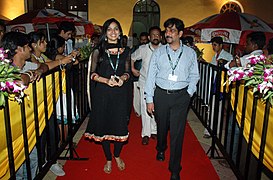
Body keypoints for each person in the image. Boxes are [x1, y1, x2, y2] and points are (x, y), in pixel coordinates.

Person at [145, 18, 199, 180]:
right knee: (162, 126)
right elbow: (150, 76)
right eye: (166, 30)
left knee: (177, 133)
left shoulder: (190, 53)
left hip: (181, 97)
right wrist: (149, 98)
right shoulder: (159, 52)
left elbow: (194, 75)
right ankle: (161, 147)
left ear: (180, 34)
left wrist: (189, 93)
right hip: (161, 95)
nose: (167, 34)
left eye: (172, 30)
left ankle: (175, 168)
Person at [84, 18, 131, 174]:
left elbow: (127, 72)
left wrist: (122, 79)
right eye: (109, 29)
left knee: (120, 125)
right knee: (104, 127)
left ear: (119, 32)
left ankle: (117, 155)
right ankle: (109, 159)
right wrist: (105, 80)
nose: (113, 32)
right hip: (103, 94)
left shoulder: (127, 51)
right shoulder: (98, 51)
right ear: (105, 32)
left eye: (116, 29)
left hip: (120, 94)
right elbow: (92, 74)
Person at [2, 31, 49, 179]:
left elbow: (45, 66)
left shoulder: (28, 63)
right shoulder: (4, 69)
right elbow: (20, 82)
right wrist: (29, 75)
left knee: (33, 161)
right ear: (19, 49)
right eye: (27, 46)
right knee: (17, 169)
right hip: (11, 131)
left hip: (27, 126)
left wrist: (39, 70)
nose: (30, 49)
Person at [131, 26, 162, 145]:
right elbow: (132, 58)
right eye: (153, 35)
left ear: (161, 37)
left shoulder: (164, 49)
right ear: (149, 37)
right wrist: (133, 69)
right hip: (144, 82)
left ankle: (154, 130)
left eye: (157, 35)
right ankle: (145, 134)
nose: (155, 37)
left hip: (159, 85)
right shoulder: (143, 49)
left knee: (157, 108)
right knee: (145, 109)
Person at [203, 36, 233, 138]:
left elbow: (229, 70)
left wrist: (223, 63)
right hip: (213, 85)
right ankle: (210, 128)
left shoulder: (228, 56)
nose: (213, 47)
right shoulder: (215, 55)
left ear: (221, 45)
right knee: (212, 108)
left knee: (218, 109)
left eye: (215, 45)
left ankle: (213, 130)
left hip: (220, 86)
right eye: (212, 44)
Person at [131, 31, 149, 117]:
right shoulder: (135, 49)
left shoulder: (149, 49)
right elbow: (131, 58)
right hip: (136, 75)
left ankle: (145, 110)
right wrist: (133, 69)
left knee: (145, 96)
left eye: (145, 40)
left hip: (146, 77)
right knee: (137, 94)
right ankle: (138, 111)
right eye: (142, 40)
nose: (143, 41)